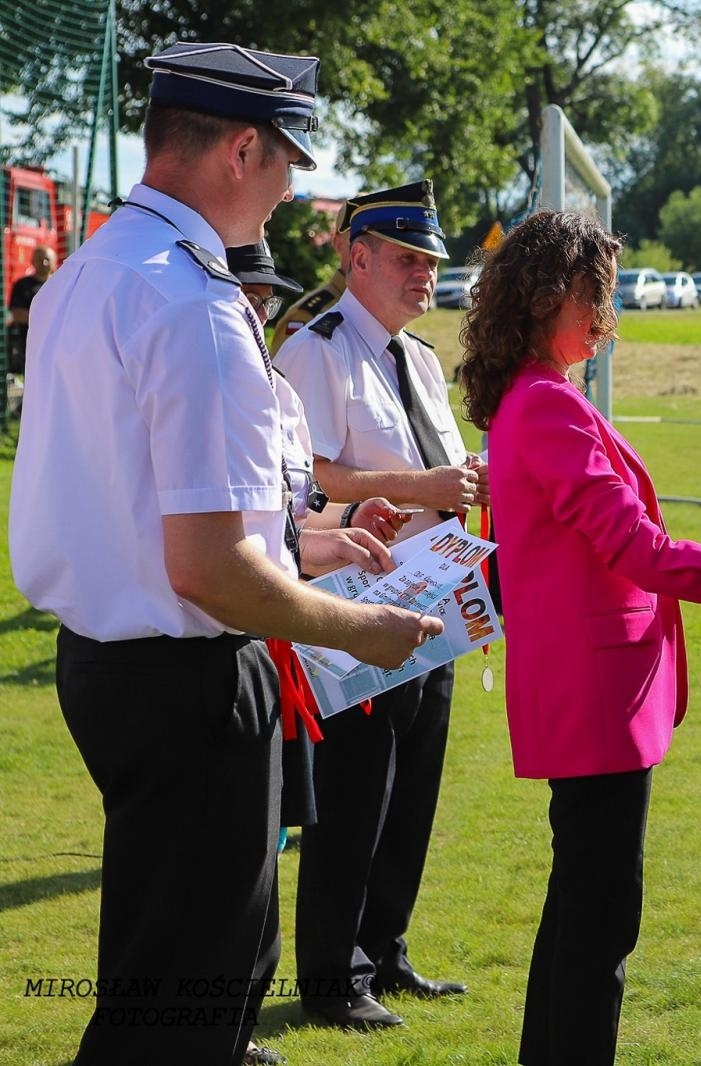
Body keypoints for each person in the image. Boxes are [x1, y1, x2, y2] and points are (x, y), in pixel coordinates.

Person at [7, 42, 441, 1066]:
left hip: (111, 662)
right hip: (191, 677)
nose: (292, 193)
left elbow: (157, 517)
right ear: (242, 149)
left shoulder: (90, 273)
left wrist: (312, 542)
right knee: (183, 1010)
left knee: (172, 982)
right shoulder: (193, 305)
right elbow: (209, 569)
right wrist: (364, 630)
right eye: (289, 161)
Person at [454, 210, 701, 1065]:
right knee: (600, 926)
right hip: (593, 697)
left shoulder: (538, 401)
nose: (607, 321)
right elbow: (637, 548)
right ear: (551, 298)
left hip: (593, 689)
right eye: (596, 298)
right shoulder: (547, 408)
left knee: (581, 912)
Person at [276, 179, 479, 1030]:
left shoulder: (422, 358)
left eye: (431, 261)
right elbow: (308, 478)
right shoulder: (315, 350)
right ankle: (331, 976)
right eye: (407, 258)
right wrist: (422, 484)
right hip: (357, 596)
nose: (424, 275)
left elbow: (449, 471)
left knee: (413, 788)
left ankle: (384, 949)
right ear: (356, 257)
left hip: (435, 591)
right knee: (357, 792)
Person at [271, 197, 354, 353]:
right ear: (337, 243)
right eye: (357, 239)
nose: (370, 251)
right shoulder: (307, 315)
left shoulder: (394, 310)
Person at [5, 243, 55, 378]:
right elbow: (17, 314)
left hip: (57, 346)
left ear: (54, 261)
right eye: (40, 259)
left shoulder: (59, 284)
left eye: (47, 259)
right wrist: (47, 322)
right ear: (32, 261)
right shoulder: (22, 285)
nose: (44, 263)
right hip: (30, 346)